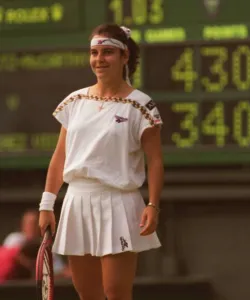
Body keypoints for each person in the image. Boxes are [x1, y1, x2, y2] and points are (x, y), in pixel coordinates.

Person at [38, 23, 164, 300]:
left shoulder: (142, 105)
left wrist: (153, 204)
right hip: (77, 202)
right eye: (94, 52)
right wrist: (47, 204)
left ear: (124, 57)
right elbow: (60, 157)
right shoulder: (74, 101)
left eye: (107, 52)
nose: (99, 59)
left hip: (120, 203)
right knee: (88, 293)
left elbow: (154, 161)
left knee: (116, 292)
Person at [2, 209, 71, 279]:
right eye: (29, 223)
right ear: (22, 225)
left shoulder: (46, 244)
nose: (31, 227)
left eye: (34, 223)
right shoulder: (15, 238)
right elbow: (8, 264)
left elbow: (59, 269)